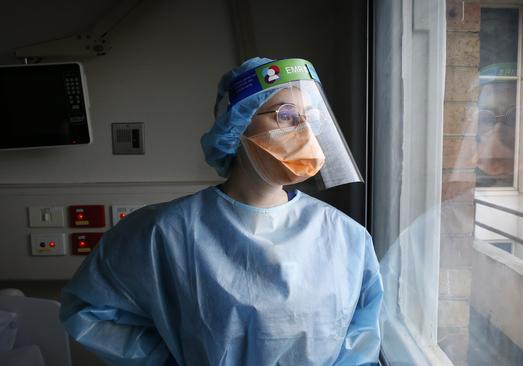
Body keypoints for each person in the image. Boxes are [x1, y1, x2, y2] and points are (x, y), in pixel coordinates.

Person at [59, 57, 383, 365]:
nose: (304, 131)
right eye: (284, 115)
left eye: (310, 117)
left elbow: (360, 336)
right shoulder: (164, 232)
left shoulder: (344, 235)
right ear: (237, 123)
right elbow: (88, 310)